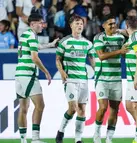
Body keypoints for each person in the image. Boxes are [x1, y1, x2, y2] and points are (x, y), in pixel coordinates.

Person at [55, 15, 94, 143]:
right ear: (71, 25)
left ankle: (78, 139)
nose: (79, 25)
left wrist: (98, 72)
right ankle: (61, 131)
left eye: (81, 23)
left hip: (83, 80)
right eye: (77, 23)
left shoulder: (88, 43)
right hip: (70, 80)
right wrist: (61, 72)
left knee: (82, 110)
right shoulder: (64, 42)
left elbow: (92, 60)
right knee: (73, 108)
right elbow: (58, 59)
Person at [15, 13, 51, 143]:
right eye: (40, 22)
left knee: (23, 108)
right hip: (28, 74)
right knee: (40, 105)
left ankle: (23, 140)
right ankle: (35, 139)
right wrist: (46, 72)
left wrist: (50, 44)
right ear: (32, 24)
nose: (42, 25)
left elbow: (37, 47)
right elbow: (34, 57)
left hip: (19, 75)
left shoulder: (25, 35)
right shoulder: (31, 36)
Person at [92, 14, 128, 143]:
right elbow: (101, 56)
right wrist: (119, 52)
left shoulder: (120, 38)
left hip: (116, 78)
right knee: (102, 108)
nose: (113, 26)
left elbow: (126, 54)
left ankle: (109, 138)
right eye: (110, 23)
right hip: (102, 78)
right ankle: (96, 134)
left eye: (114, 23)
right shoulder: (99, 37)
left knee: (115, 109)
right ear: (103, 26)